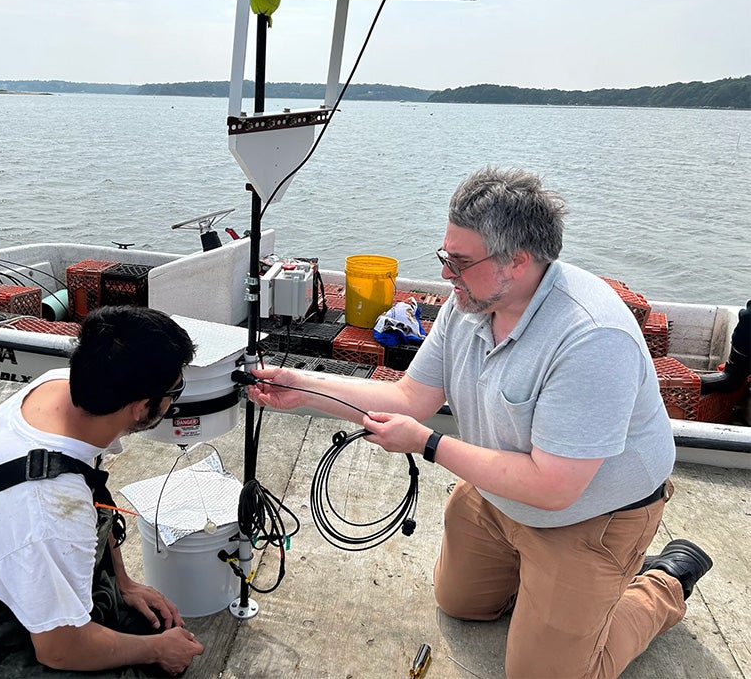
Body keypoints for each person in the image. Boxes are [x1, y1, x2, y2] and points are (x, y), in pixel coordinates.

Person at [250, 166, 712, 678]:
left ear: (518, 260)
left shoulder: (593, 337)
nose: (446, 274)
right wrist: (303, 386)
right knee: (460, 604)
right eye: (445, 257)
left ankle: (663, 583)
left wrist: (429, 445)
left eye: (460, 262)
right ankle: (546, 594)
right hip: (500, 491)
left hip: (589, 514)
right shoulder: (469, 301)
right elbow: (409, 397)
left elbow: (555, 487)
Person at [0, 306, 204, 677]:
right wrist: (155, 651)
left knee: (147, 624)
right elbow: (61, 651)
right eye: (176, 390)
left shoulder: (62, 389)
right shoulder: (51, 509)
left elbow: (93, 488)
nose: (176, 398)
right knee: (150, 667)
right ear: (141, 408)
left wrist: (123, 583)